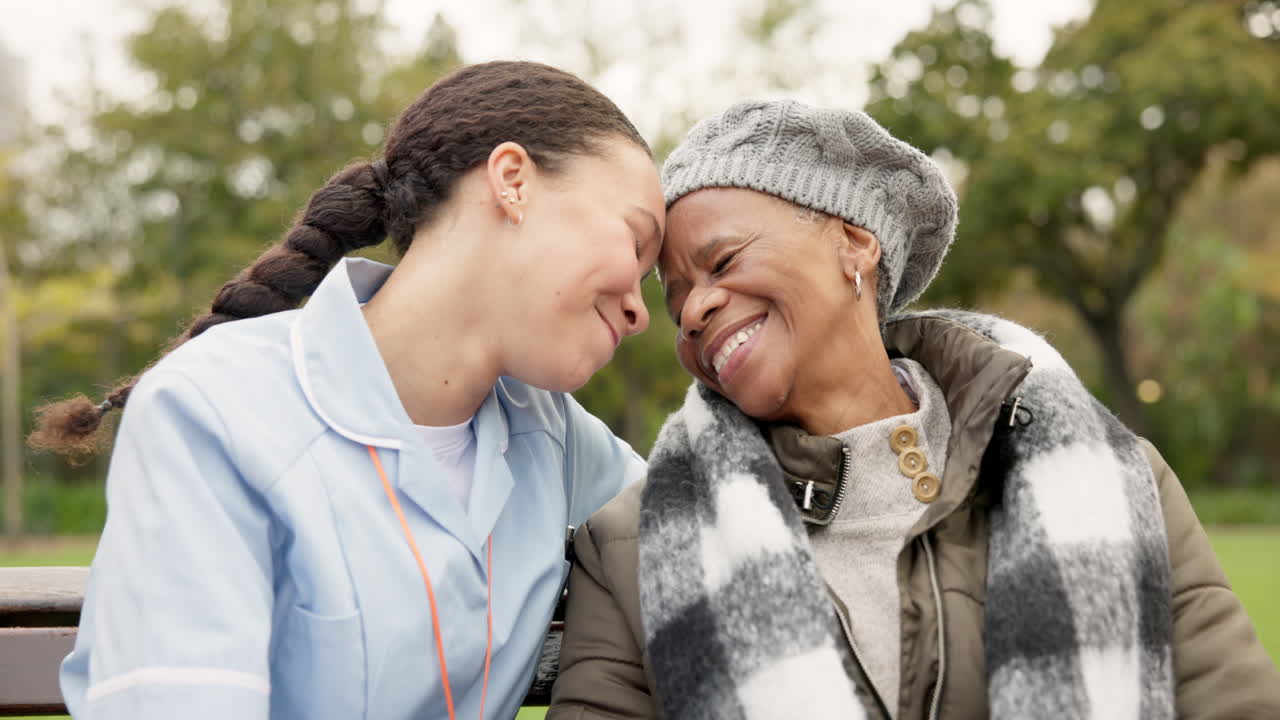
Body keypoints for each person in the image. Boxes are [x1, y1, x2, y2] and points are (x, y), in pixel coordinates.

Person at [547, 100, 1280, 719]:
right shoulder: (631, 546)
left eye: (724, 262)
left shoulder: (1117, 481)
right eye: (675, 302)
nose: (697, 309)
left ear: (855, 243)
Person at [27, 60, 666, 720]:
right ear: (512, 182)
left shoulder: (557, 440)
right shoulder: (209, 409)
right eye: (636, 241)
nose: (641, 312)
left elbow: (715, 510)